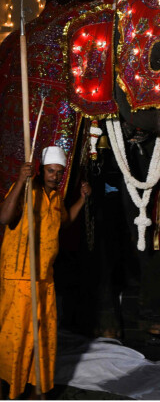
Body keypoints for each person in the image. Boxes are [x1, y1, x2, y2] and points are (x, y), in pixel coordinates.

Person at [0, 146, 90, 399]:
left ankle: (34, 388)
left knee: (42, 336)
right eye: (51, 171)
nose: (55, 176)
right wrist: (20, 180)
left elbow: (64, 223)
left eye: (59, 173)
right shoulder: (28, 190)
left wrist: (82, 200)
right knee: (15, 338)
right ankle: (9, 390)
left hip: (44, 278)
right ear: (41, 170)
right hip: (18, 275)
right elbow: (5, 217)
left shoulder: (57, 197)